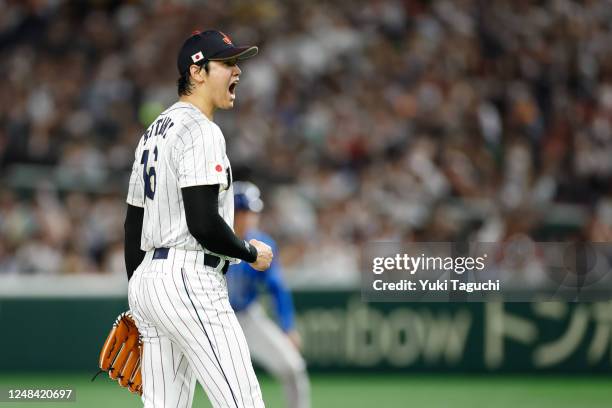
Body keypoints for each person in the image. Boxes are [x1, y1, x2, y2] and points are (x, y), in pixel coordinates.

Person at [123, 30, 273, 408]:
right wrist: (249, 252)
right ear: (197, 71)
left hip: (148, 281)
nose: (237, 71)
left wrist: (143, 297)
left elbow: (132, 226)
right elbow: (203, 224)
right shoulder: (200, 130)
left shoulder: (152, 133)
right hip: (189, 277)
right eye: (227, 63)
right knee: (244, 402)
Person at [227, 181, 310, 408]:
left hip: (247, 316)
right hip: (213, 318)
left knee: (293, 368)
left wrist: (288, 325)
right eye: (242, 211)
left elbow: (277, 288)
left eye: (252, 211)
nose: (248, 217)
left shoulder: (262, 244)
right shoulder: (212, 239)